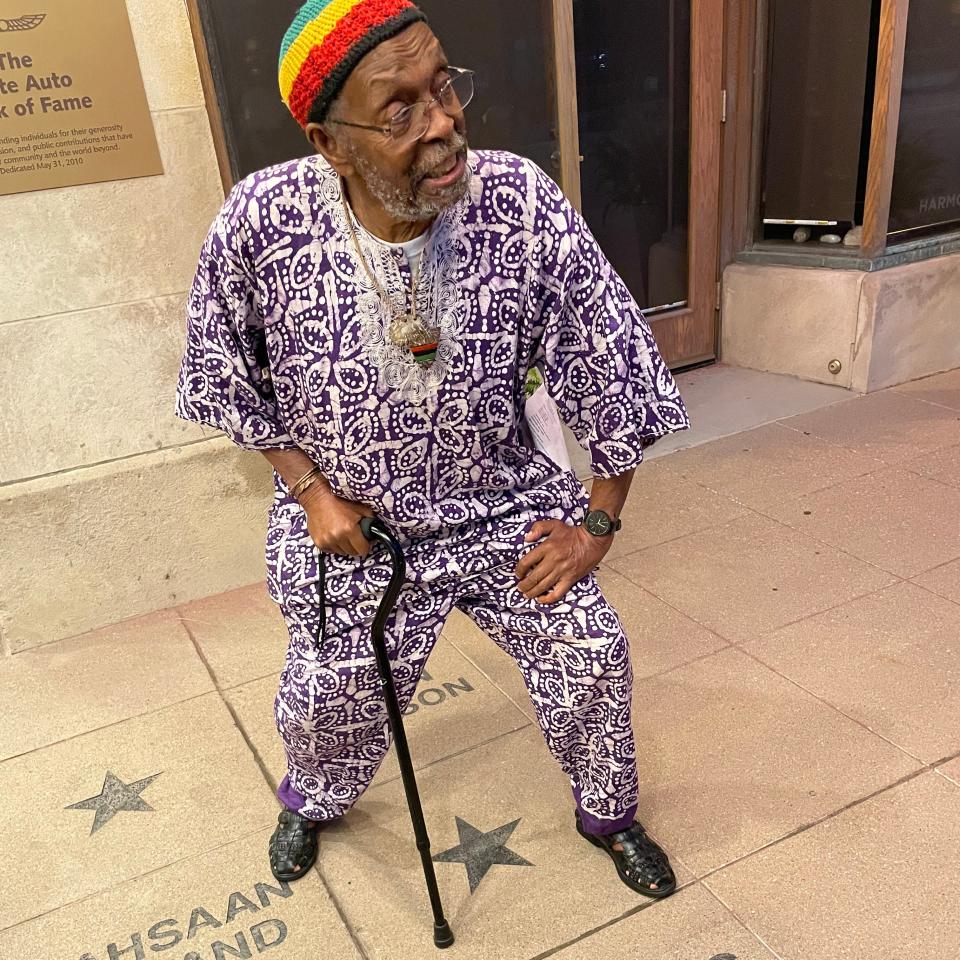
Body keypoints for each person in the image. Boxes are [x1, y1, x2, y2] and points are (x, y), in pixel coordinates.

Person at [176, 0, 690, 899]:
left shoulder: (519, 200)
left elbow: (610, 359)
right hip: (355, 521)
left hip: (495, 498)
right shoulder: (262, 222)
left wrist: (597, 524)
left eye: (443, 86)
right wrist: (309, 494)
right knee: (330, 694)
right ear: (330, 142)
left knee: (591, 652)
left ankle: (610, 815)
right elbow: (222, 371)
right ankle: (316, 799)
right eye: (401, 107)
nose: (445, 122)